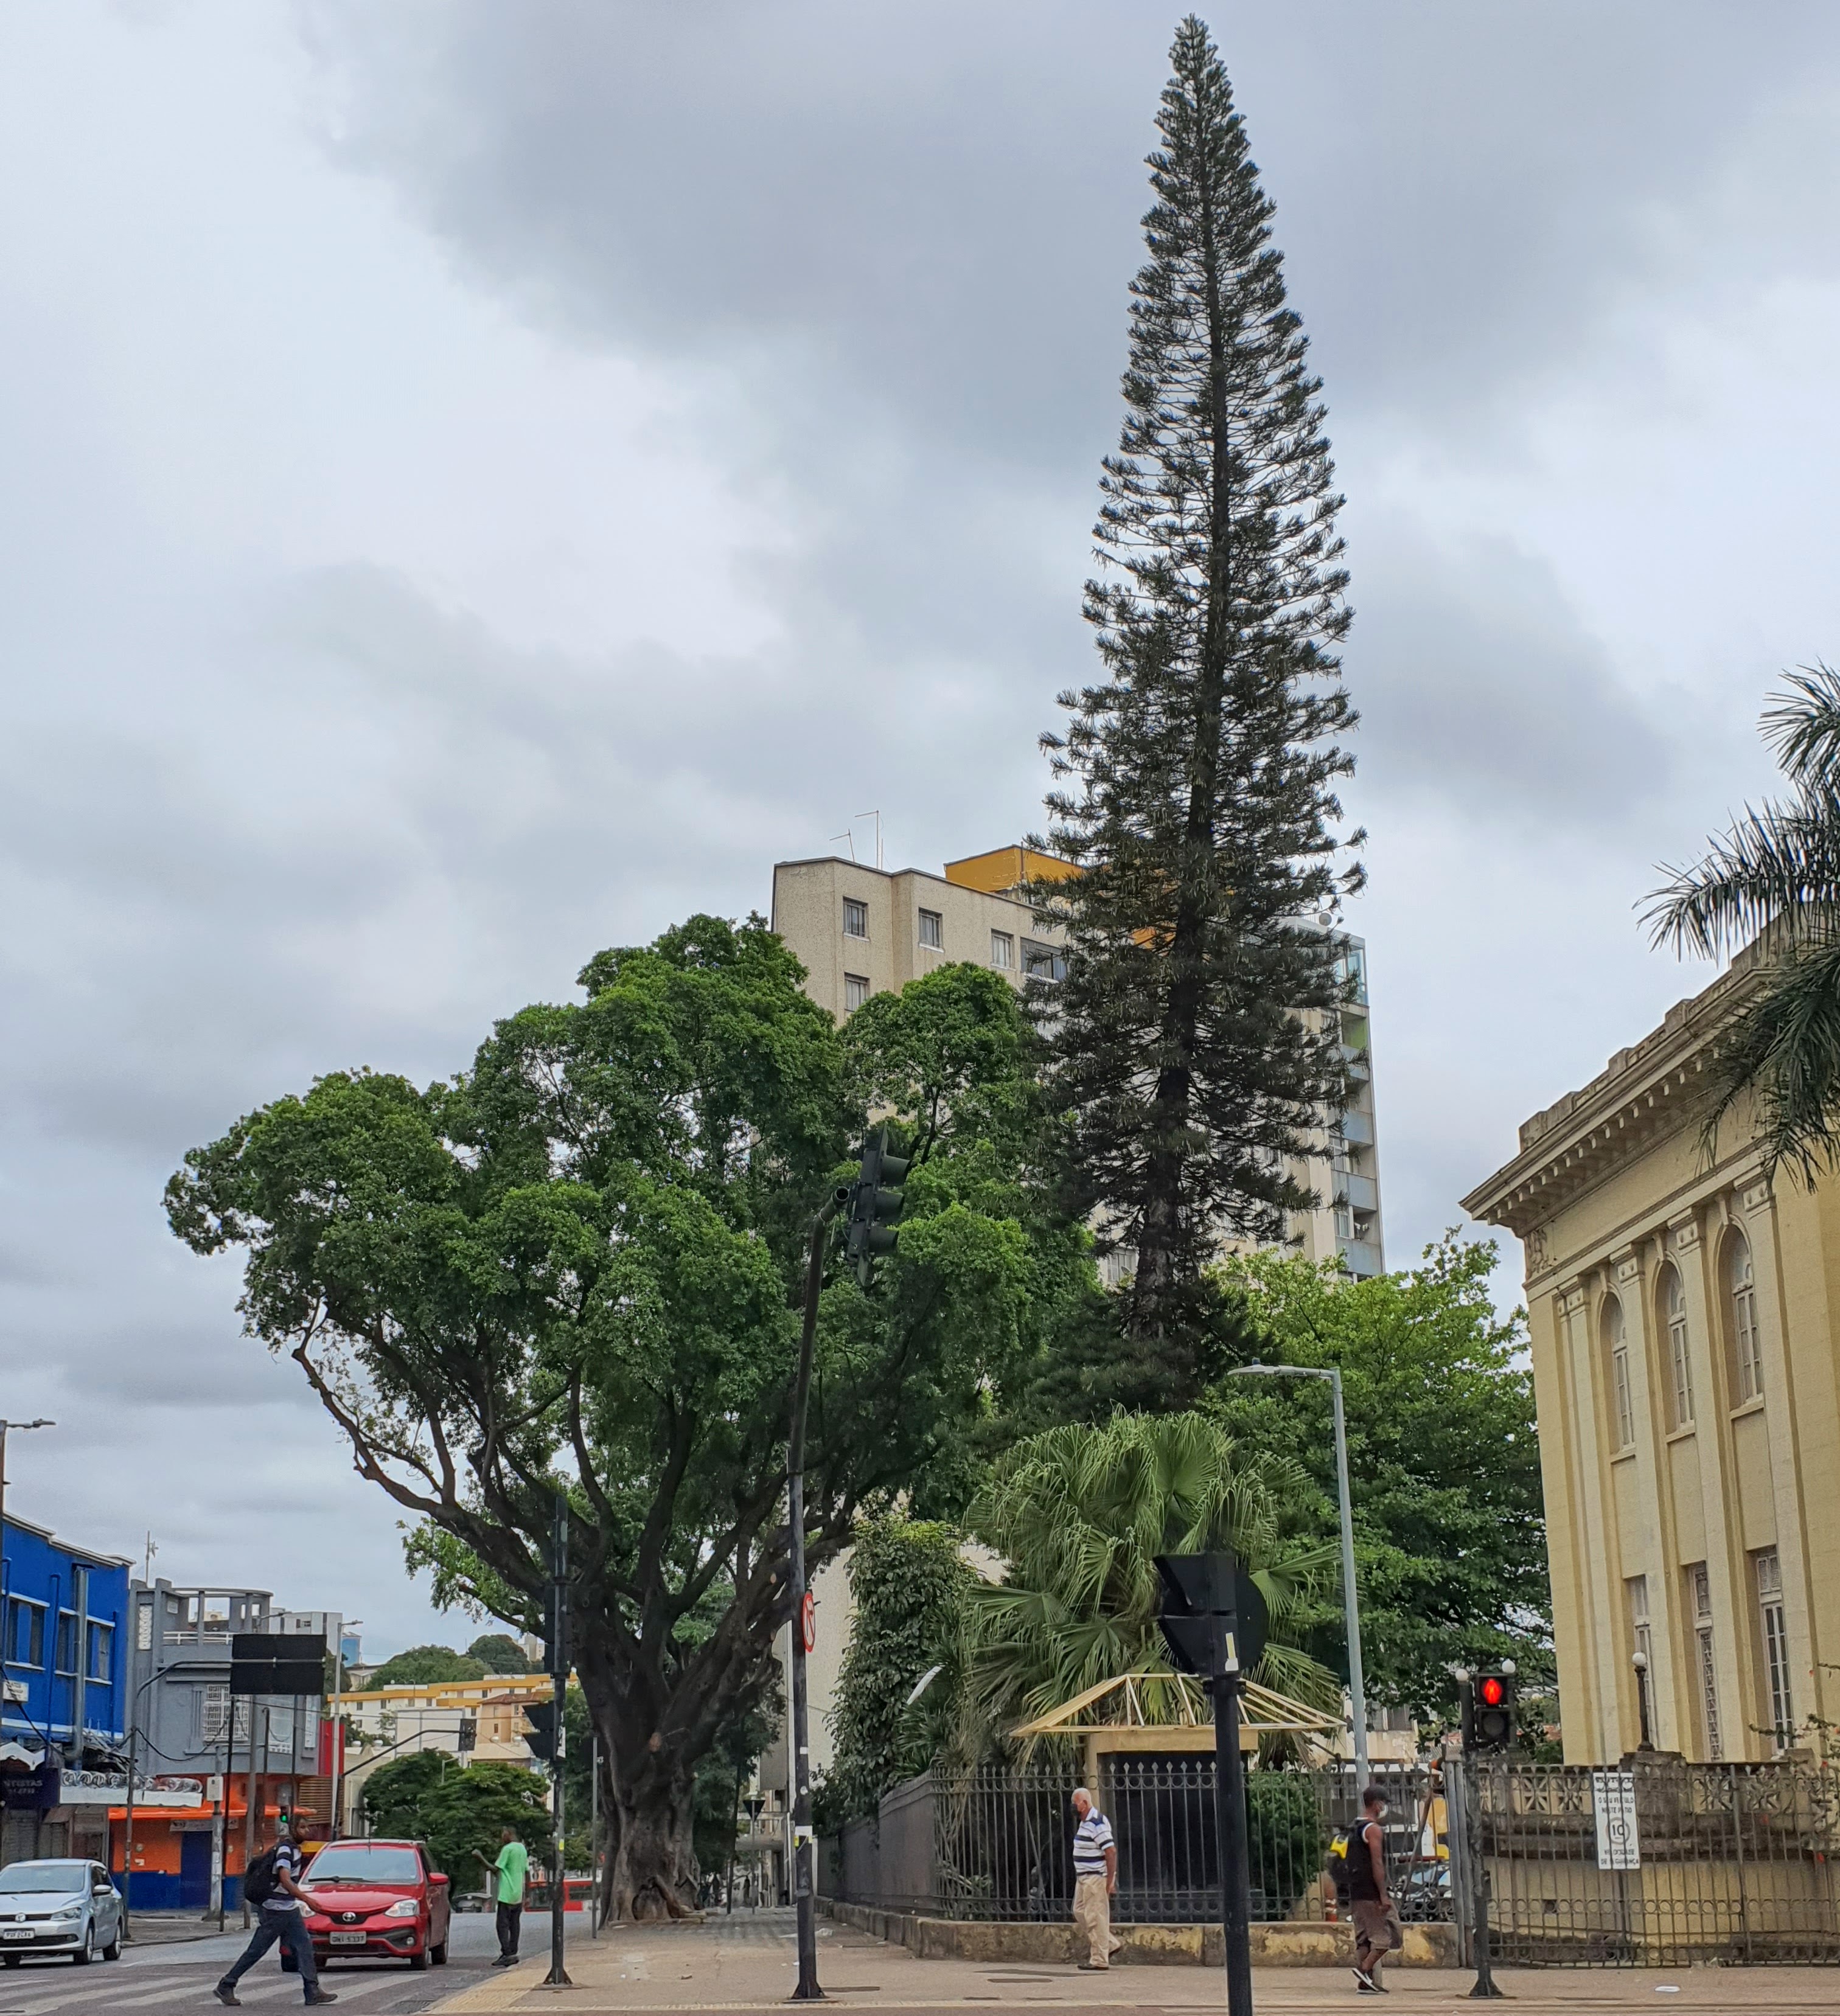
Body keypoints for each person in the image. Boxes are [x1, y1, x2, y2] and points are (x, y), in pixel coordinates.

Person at [214, 1811, 336, 2007]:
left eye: (308, 1827)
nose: (307, 1831)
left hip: (287, 1908)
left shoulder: (294, 1849)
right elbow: (285, 1878)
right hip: (276, 1909)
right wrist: (307, 1899)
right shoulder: (286, 1850)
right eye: (302, 1827)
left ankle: (312, 1990)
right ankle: (226, 1984)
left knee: (304, 1946)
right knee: (257, 1950)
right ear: (292, 1829)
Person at [1348, 1784, 1399, 1994]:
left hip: (1355, 1891)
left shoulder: (1354, 1827)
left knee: (1363, 1938)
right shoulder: (1374, 1830)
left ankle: (1365, 1983)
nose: (1385, 1807)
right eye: (1384, 1803)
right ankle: (1364, 1969)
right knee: (1385, 1937)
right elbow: (1377, 1864)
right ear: (1377, 1805)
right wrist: (1383, 1895)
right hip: (1370, 1893)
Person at [1069, 1787, 1121, 1971]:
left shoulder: (1097, 1823)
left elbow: (1111, 1851)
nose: (1073, 1807)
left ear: (1084, 1803)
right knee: (1079, 1911)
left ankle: (1099, 1959)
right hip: (1083, 1877)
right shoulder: (1085, 1822)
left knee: (1095, 1917)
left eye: (1075, 1803)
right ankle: (1109, 1943)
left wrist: (1110, 1879)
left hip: (1094, 1877)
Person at [473, 1827, 530, 1966]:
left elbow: (495, 1870)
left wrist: (480, 1858)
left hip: (506, 1894)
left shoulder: (508, 1849)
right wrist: (527, 1895)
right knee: (515, 1924)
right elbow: (527, 1873)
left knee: (502, 1926)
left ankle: (507, 1953)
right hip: (517, 1894)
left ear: (510, 1834)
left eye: (503, 1834)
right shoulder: (522, 1849)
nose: (501, 1837)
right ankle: (513, 1952)